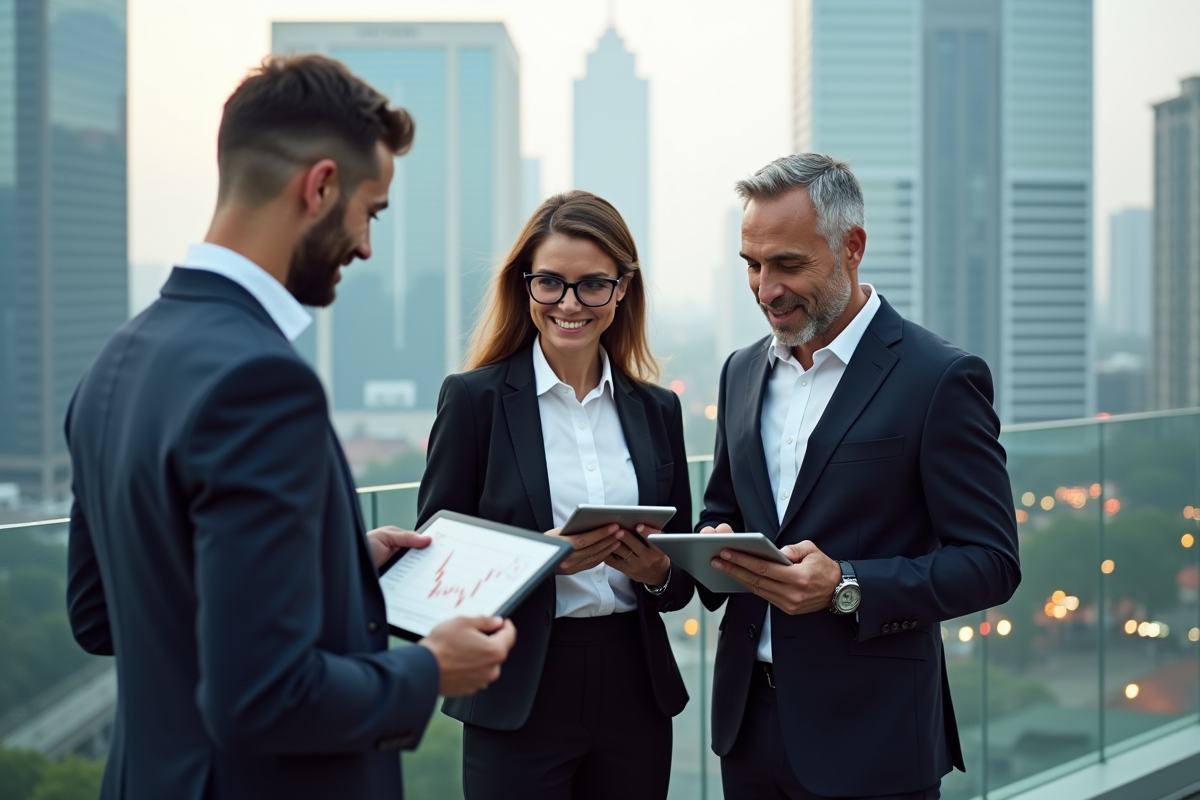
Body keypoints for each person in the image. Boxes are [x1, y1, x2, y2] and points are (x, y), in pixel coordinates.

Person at [64, 55, 515, 800]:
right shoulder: (260, 381)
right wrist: (431, 668)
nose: (366, 246)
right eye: (370, 213)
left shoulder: (116, 360)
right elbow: (261, 697)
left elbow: (104, 614)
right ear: (321, 186)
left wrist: (334, 564)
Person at [697, 153, 1021, 800]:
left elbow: (991, 563)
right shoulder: (739, 372)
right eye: (752, 266)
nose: (765, 289)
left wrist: (846, 585)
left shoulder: (939, 379)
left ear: (853, 247)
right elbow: (721, 508)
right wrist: (711, 546)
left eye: (788, 264)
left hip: (875, 740)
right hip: (747, 729)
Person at [417, 190, 693, 800]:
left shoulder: (658, 410)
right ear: (525, 286)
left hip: (634, 688)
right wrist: (537, 562)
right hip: (518, 688)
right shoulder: (473, 401)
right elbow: (431, 568)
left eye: (592, 284)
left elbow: (679, 586)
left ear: (622, 289)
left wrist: (655, 571)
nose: (570, 303)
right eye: (550, 283)